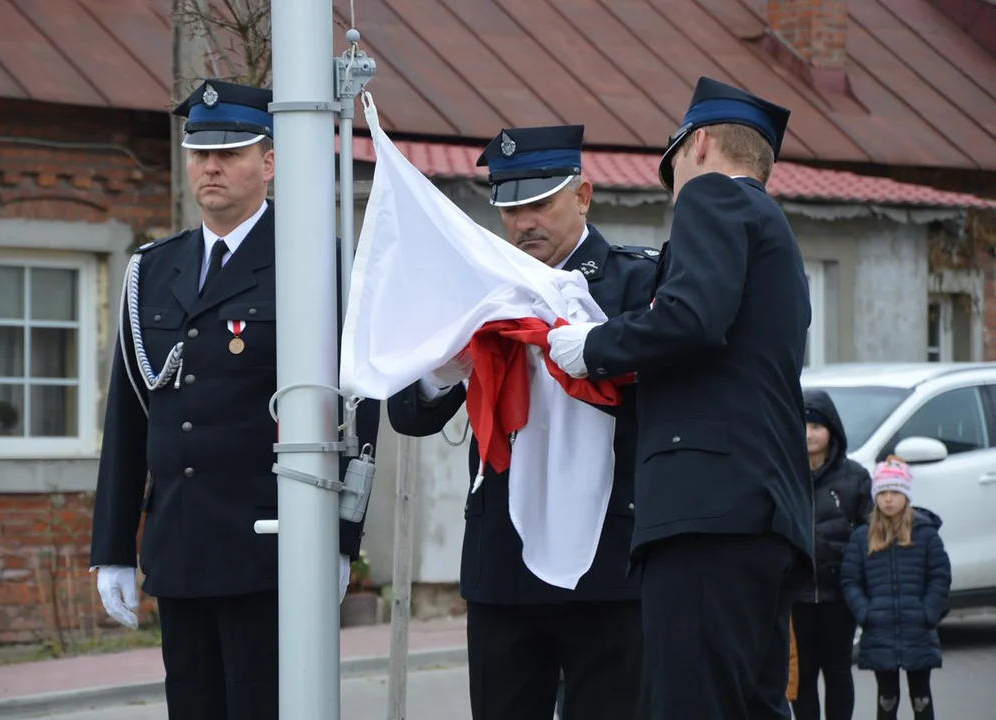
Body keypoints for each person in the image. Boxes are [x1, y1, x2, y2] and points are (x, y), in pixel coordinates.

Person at [88, 78, 380, 720]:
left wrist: (341, 537)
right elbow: (131, 415)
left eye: (232, 152)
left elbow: (357, 414)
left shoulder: (313, 263)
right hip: (181, 544)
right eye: (200, 154)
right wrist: (112, 545)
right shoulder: (153, 268)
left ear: (268, 163)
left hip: (271, 546)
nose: (211, 167)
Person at [546, 76, 815, 719]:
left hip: (706, 513)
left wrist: (599, 346)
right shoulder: (775, 232)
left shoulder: (713, 198)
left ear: (696, 146)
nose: (673, 192)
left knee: (693, 704)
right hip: (762, 510)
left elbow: (694, 317)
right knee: (751, 704)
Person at [387, 124, 658, 720]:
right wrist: (444, 372)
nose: (522, 222)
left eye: (539, 203)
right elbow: (407, 413)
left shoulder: (639, 283)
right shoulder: (482, 290)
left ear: (583, 195)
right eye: (509, 207)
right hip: (504, 559)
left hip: (609, 558)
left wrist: (602, 345)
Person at [840, 456, 951, 720]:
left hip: (917, 629)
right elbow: (850, 579)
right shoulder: (862, 537)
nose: (888, 499)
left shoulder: (925, 534)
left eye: (895, 492)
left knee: (921, 696)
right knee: (887, 698)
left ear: (906, 495)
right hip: (880, 630)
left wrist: (929, 612)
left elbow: (940, 575)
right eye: (883, 492)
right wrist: (865, 611)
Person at [792, 390, 874, 720]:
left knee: (838, 672)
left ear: (832, 430)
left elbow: (869, 534)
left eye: (817, 426)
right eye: (803, 425)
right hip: (794, 595)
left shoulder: (854, 478)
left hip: (839, 596)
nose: (809, 433)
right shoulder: (785, 473)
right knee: (802, 678)